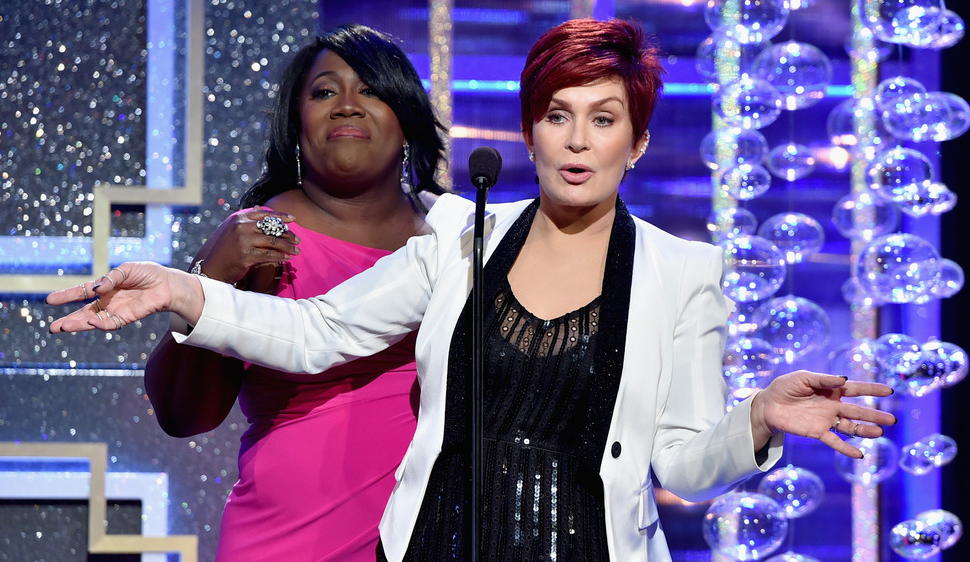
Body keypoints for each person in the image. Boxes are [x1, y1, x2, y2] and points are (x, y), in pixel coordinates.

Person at [48, 18, 896, 561]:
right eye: (557, 114)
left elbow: (678, 462)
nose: (576, 140)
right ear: (529, 129)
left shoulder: (683, 273)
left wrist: (754, 419)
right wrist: (180, 288)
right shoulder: (460, 235)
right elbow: (313, 333)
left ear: (635, 142)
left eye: (603, 119)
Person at [140, 23, 446, 561]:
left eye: (371, 90)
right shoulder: (261, 236)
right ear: (296, 124)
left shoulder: (456, 239)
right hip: (286, 542)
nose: (347, 106)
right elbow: (182, 415)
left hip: (425, 536)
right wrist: (210, 277)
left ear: (407, 122)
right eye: (325, 91)